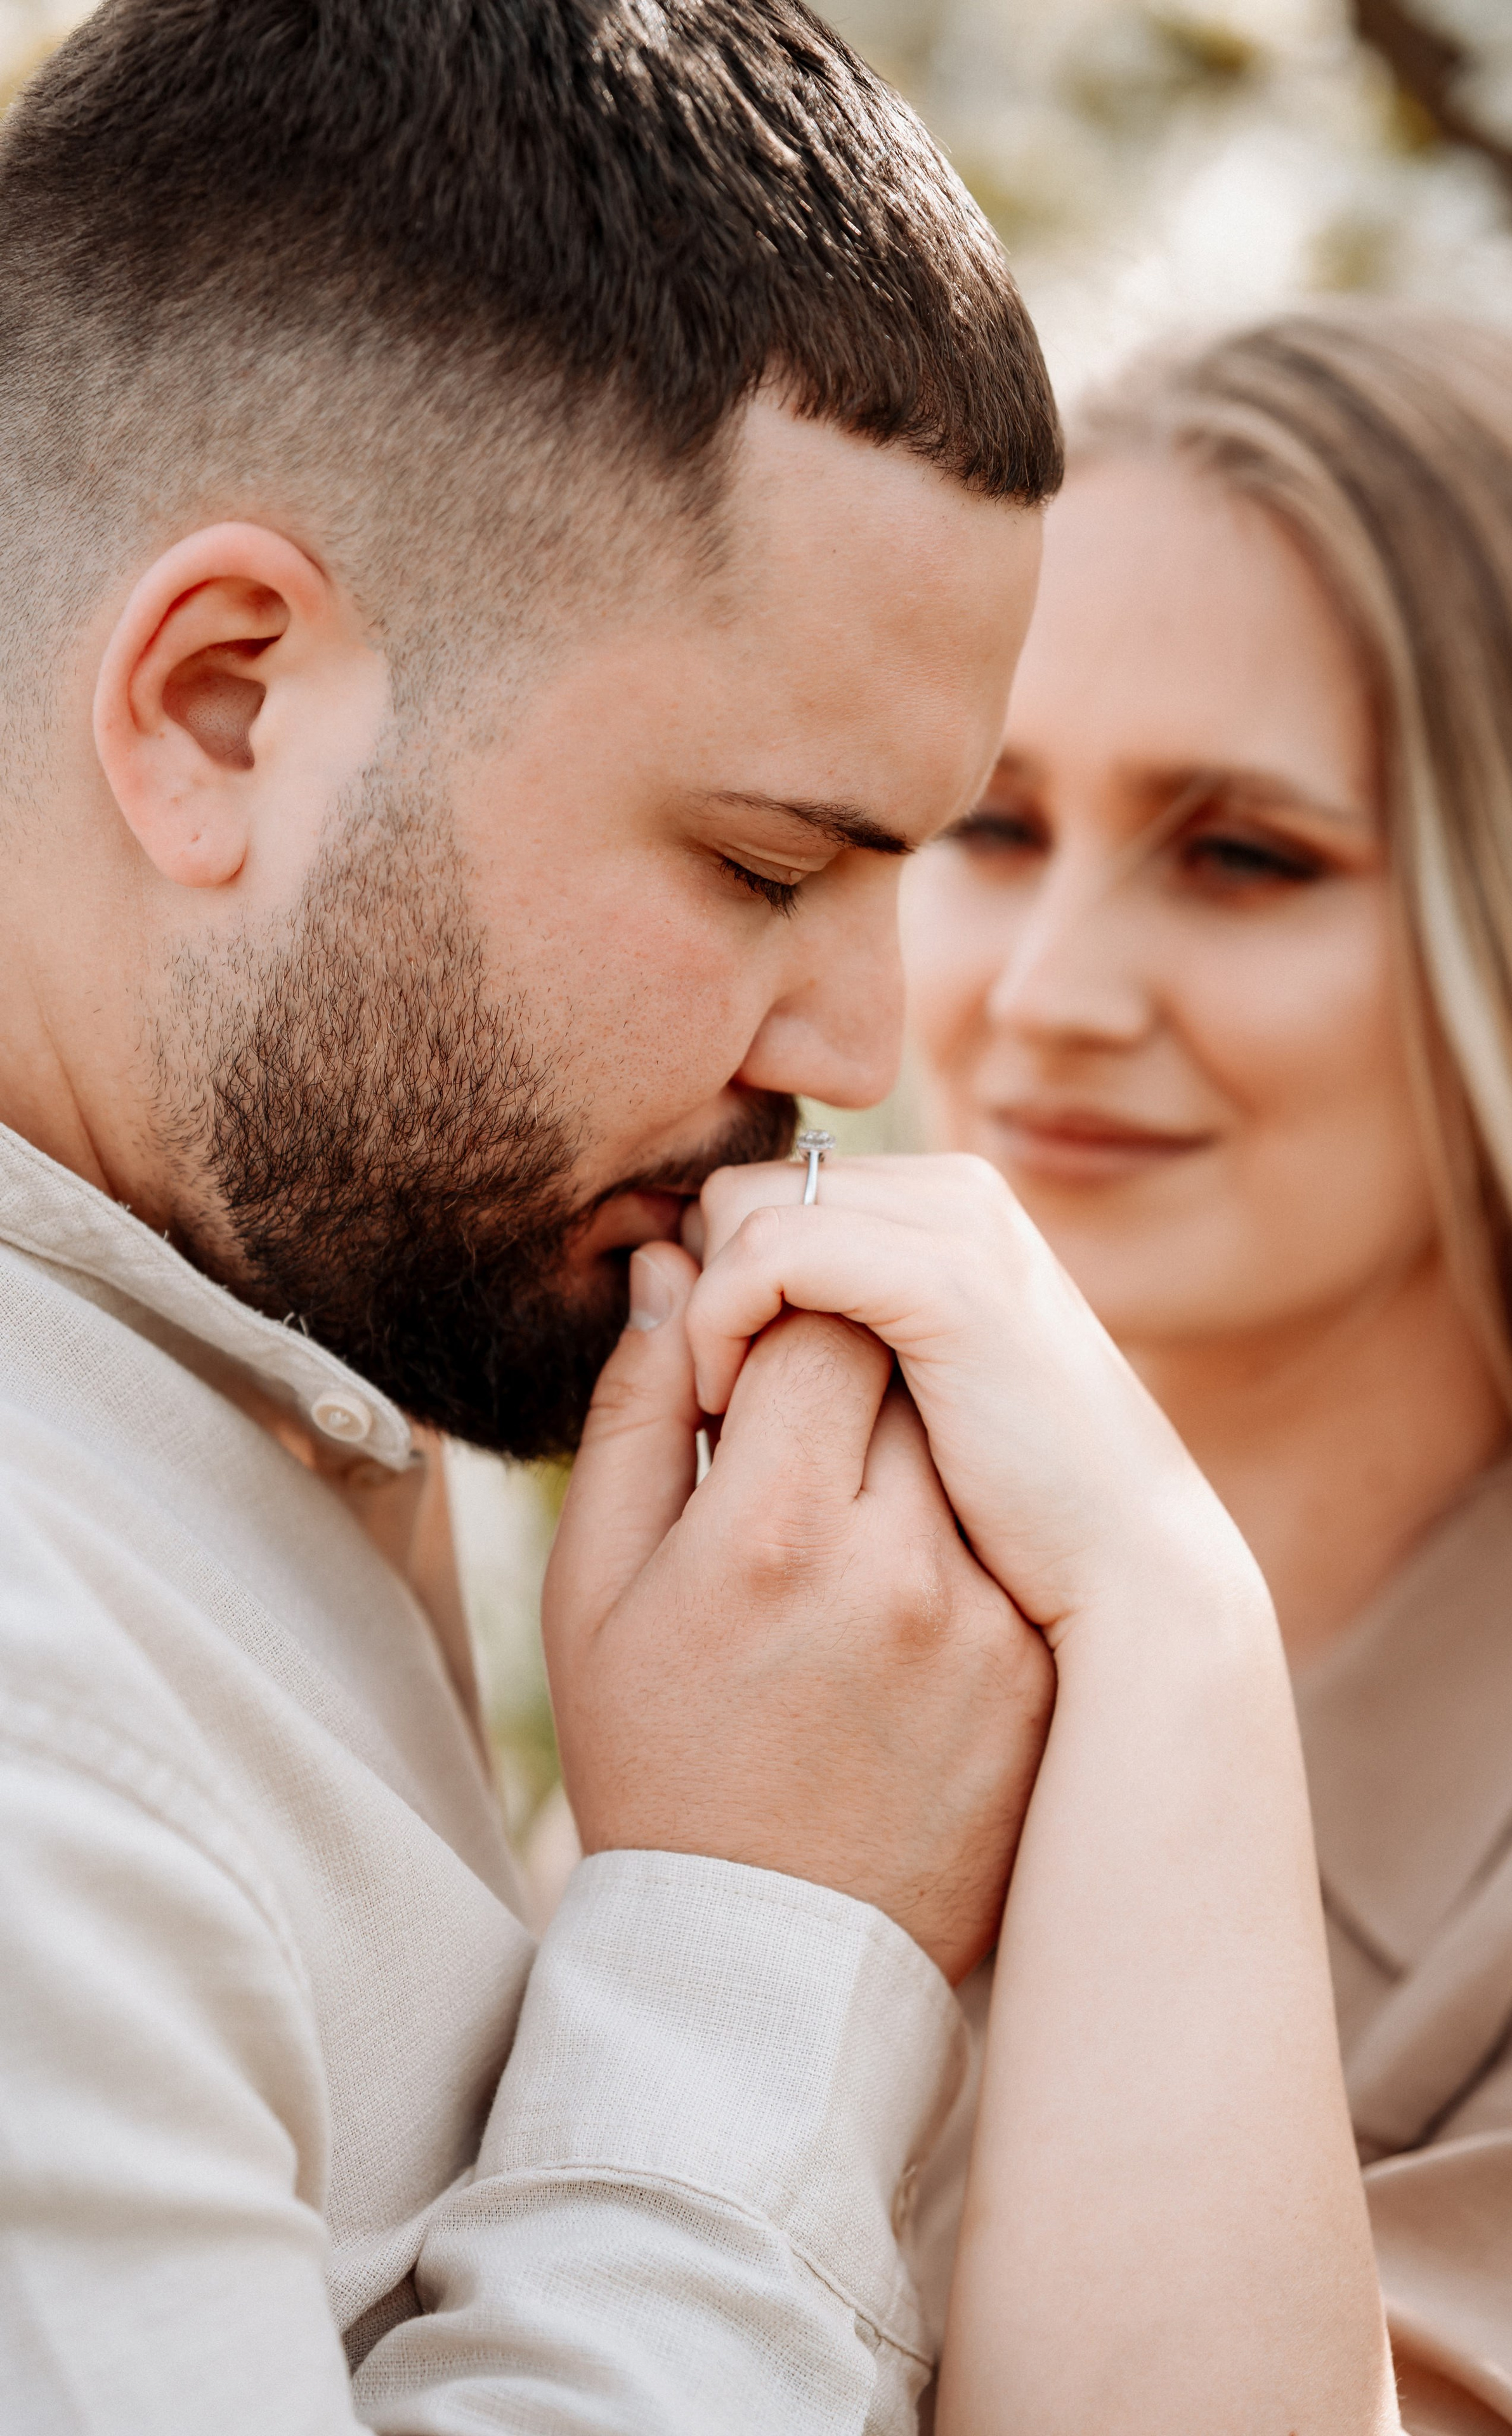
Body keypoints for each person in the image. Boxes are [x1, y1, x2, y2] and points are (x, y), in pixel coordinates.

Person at [0, 2, 1069, 2426]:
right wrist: (766, 1932)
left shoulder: (292, 1313)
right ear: (222, 706)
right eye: (767, 865)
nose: (863, 1044)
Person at [880, 302, 1512, 2433]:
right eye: (989, 824)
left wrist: (1155, 1603)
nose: (1050, 993)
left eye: (1243, 856)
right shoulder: (825, 1615)